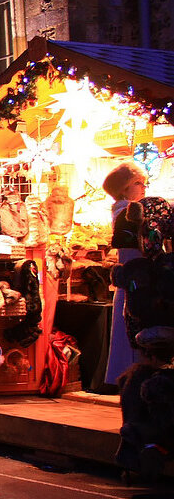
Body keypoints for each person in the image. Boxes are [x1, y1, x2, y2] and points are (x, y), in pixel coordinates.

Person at [103, 161, 148, 385]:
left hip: (135, 278)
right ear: (124, 188)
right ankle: (130, 375)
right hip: (134, 281)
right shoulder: (125, 212)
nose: (143, 187)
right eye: (138, 183)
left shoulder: (130, 211)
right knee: (130, 330)